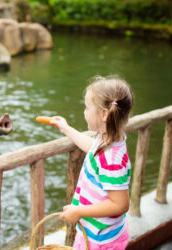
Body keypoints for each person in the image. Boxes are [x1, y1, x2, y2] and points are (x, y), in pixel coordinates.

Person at [51, 75, 134, 250]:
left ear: (104, 114)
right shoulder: (107, 139)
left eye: (87, 108)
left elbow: (120, 204)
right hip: (97, 232)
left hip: (102, 241)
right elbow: (91, 147)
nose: (84, 112)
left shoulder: (112, 159)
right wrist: (67, 129)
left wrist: (79, 211)